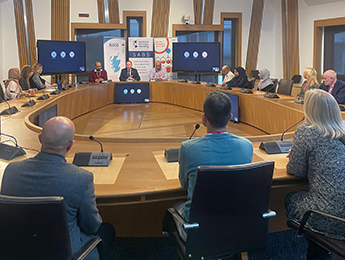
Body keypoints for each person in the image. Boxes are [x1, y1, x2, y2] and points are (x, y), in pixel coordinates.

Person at [0, 116, 115, 260]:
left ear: (40, 139)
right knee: (107, 230)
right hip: (63, 253)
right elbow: (91, 226)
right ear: (70, 145)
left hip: (18, 248)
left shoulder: (12, 170)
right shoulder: (81, 178)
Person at [175, 91, 253, 241]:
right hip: (237, 223)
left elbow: (184, 185)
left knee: (176, 205)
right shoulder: (247, 146)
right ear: (230, 118)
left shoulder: (188, 148)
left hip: (197, 230)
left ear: (204, 119)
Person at [285, 89, 345, 259]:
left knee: (291, 198)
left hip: (329, 219)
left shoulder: (307, 131)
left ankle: (317, 248)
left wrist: (299, 154)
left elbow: (295, 171)